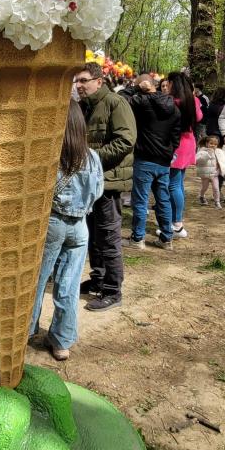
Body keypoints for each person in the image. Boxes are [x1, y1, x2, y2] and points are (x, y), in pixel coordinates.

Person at [29, 100, 103, 359]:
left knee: (35, 282)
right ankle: (62, 342)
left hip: (52, 224)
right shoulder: (92, 156)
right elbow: (98, 191)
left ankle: (25, 331)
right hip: (80, 227)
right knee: (69, 286)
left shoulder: (50, 156)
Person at [77, 62, 136, 311]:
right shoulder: (83, 106)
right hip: (90, 182)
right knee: (93, 235)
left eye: (83, 80)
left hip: (109, 183)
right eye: (76, 81)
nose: (78, 86)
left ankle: (113, 290)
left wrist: (91, 158)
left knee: (109, 237)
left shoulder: (115, 103)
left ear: (99, 81)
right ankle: (98, 278)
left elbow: (126, 140)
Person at [122, 74, 181, 250]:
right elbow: (176, 137)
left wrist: (135, 88)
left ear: (143, 86)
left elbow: (120, 99)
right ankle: (166, 238)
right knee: (163, 199)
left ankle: (137, 239)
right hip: (164, 161)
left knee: (141, 200)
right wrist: (168, 153)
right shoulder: (174, 108)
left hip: (145, 159)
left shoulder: (142, 102)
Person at [165, 72, 202, 238]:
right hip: (188, 143)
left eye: (169, 83)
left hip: (176, 146)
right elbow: (199, 117)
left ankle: (177, 224)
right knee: (178, 183)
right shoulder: (193, 101)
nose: (167, 86)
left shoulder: (173, 102)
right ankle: (177, 220)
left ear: (174, 84)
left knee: (173, 185)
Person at [196, 136, 225, 208]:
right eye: (211, 143)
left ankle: (217, 202)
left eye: (215, 144)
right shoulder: (202, 151)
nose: (213, 145)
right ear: (207, 143)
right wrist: (208, 154)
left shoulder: (219, 151)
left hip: (215, 174)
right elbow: (199, 161)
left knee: (216, 188)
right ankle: (201, 196)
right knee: (204, 187)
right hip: (205, 174)